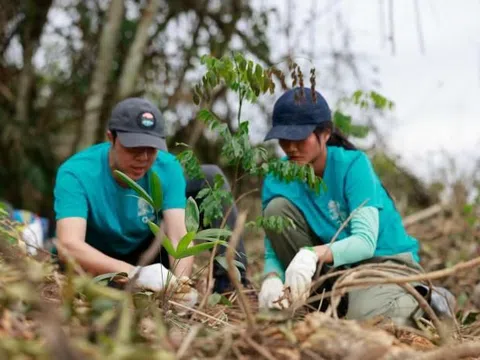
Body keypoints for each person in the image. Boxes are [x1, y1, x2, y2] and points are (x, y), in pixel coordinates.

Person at [257, 87, 453, 327]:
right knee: (276, 209)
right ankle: (327, 306)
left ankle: (426, 297)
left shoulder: (353, 166)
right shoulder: (277, 178)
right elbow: (273, 248)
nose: (291, 147)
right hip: (334, 270)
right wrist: (272, 278)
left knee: (369, 323)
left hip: (382, 264)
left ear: (325, 133)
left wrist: (311, 254)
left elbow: (365, 242)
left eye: (299, 137)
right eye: (283, 139)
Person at [53, 97, 247, 300]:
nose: (143, 158)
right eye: (134, 148)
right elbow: (68, 244)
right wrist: (134, 274)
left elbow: (178, 236)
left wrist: (180, 286)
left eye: (151, 149)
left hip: (147, 252)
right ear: (111, 138)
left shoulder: (167, 167)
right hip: (100, 257)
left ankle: (232, 286)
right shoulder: (77, 172)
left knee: (208, 175)